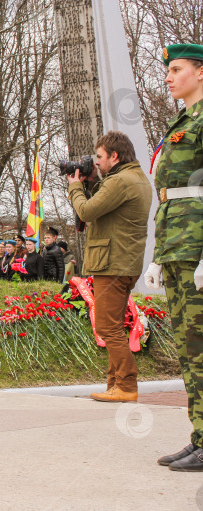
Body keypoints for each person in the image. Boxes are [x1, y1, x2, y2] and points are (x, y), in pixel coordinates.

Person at [145, 44, 203, 471]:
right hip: (177, 248)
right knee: (189, 348)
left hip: (196, 247)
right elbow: (170, 196)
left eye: (177, 69)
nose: (169, 77)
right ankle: (199, 436)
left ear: (200, 72)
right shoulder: (181, 122)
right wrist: (158, 256)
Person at [67, 130, 151, 403]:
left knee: (107, 327)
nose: (97, 163)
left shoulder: (121, 181)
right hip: (123, 261)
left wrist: (75, 186)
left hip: (113, 263)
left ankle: (126, 386)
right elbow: (105, 209)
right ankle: (115, 383)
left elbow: (87, 211)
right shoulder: (131, 178)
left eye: (100, 157)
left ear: (114, 156)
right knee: (113, 325)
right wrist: (92, 183)